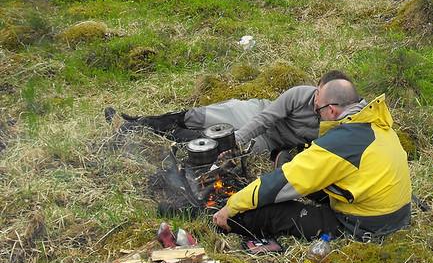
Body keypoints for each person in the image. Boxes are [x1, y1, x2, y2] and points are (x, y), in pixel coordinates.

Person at [212, 79, 411, 241]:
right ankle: (285, 165)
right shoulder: (376, 123)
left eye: (318, 111)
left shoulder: (340, 142)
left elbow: (281, 183)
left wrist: (232, 206)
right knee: (311, 177)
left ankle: (230, 224)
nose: (318, 115)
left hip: (365, 224)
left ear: (332, 110)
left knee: (265, 214)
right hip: (395, 213)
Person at [105, 70, 351, 159]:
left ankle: (149, 133)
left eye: (321, 96)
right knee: (198, 116)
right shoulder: (299, 94)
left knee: (209, 143)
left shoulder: (339, 120)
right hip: (254, 113)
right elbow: (264, 119)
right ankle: (137, 122)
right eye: (317, 91)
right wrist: (237, 139)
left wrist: (231, 145)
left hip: (269, 141)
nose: (315, 97)